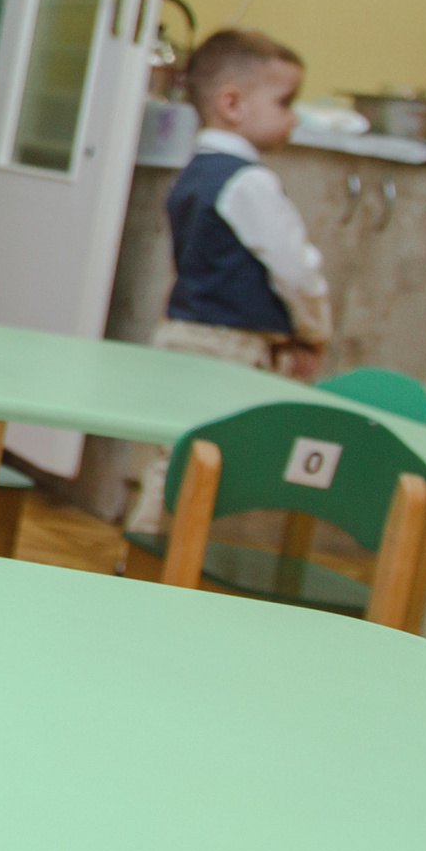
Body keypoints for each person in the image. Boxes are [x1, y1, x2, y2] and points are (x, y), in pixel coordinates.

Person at [127, 28, 332, 532]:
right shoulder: (250, 183)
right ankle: (161, 558)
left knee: (173, 455)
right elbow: (295, 270)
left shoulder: (194, 172)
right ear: (232, 104)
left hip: (181, 333)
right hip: (227, 348)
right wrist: (311, 330)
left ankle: (146, 555)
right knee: (202, 462)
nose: (295, 117)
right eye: (286, 102)